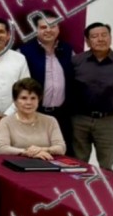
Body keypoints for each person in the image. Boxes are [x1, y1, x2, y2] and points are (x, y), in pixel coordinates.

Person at [71, 23, 113, 169]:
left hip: (110, 121)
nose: (100, 39)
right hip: (80, 120)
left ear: (110, 37)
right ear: (87, 41)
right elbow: (69, 89)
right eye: (95, 36)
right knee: (77, 163)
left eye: (104, 35)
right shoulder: (76, 62)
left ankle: (103, 185)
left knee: (107, 165)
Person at [19, 11, 75, 156]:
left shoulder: (68, 50)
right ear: (36, 30)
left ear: (58, 28)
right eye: (43, 27)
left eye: (53, 26)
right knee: (34, 154)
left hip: (62, 115)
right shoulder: (24, 52)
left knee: (63, 156)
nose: (48, 30)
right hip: (35, 113)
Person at [0, 78, 66, 159]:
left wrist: (42, 149)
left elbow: (61, 148)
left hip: (46, 162)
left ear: (38, 100)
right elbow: (3, 149)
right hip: (17, 163)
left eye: (33, 98)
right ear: (15, 101)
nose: (29, 102)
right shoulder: (5, 122)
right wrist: (27, 153)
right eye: (24, 98)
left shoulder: (51, 121)